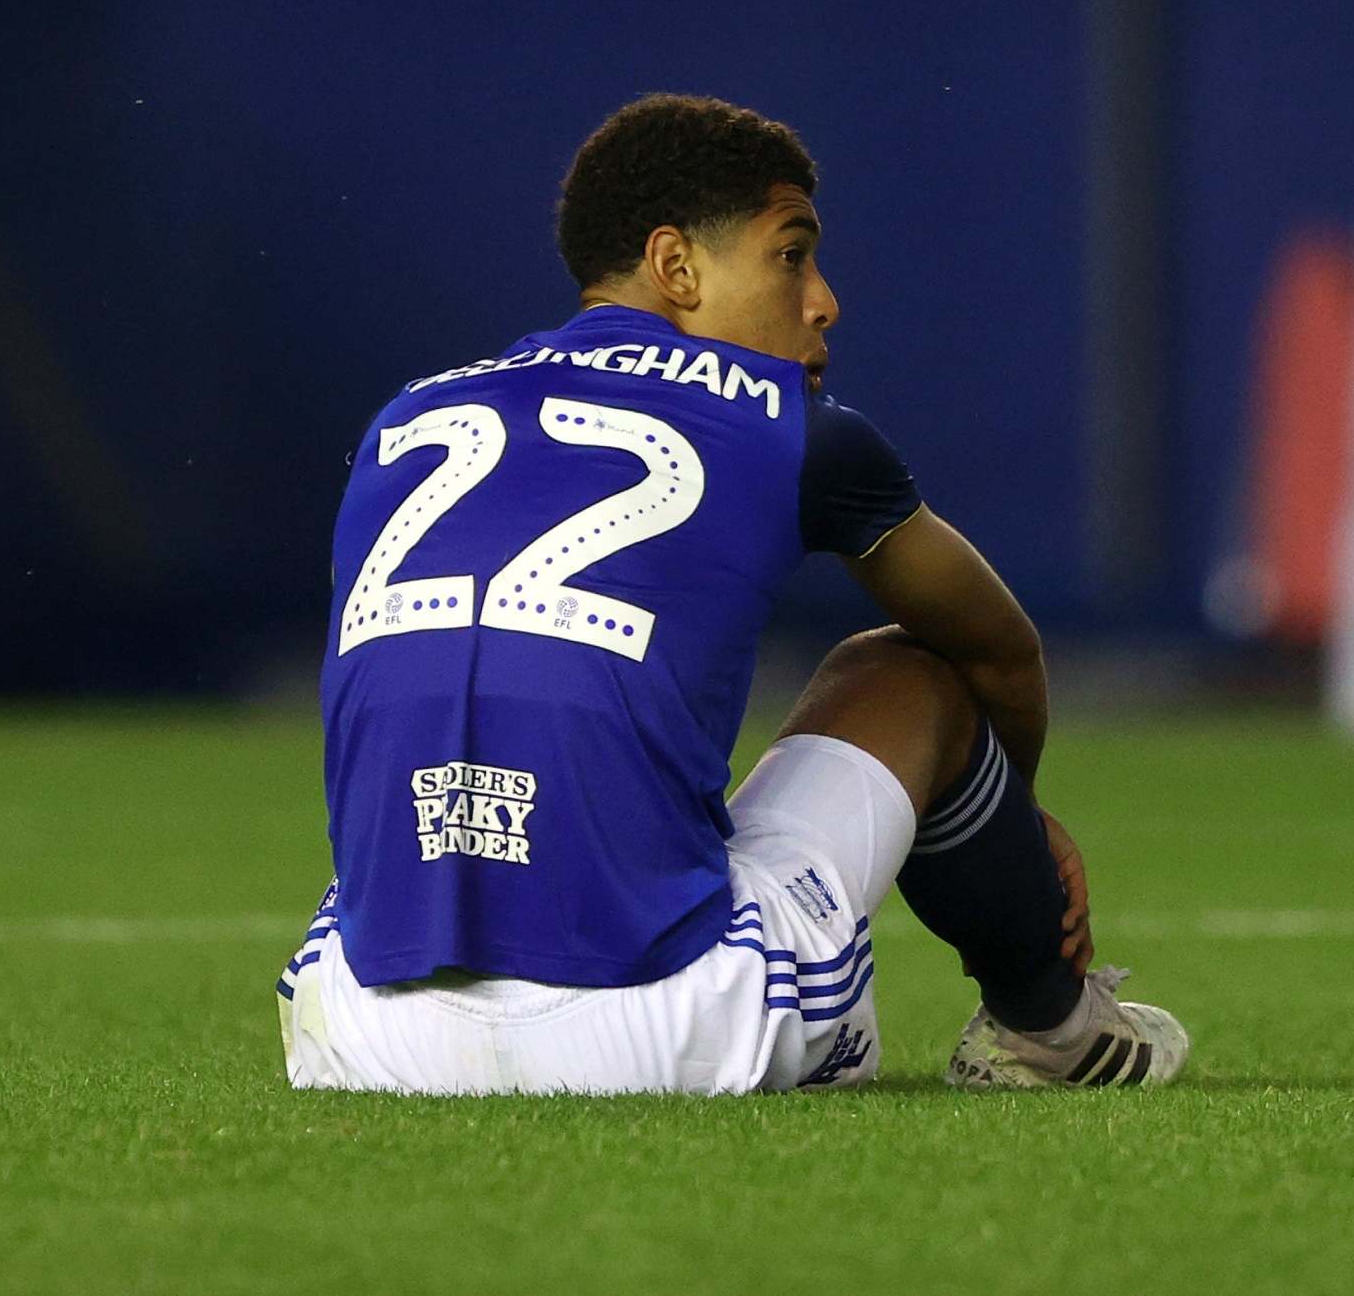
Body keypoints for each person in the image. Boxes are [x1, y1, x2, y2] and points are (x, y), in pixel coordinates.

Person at [279, 93, 1188, 1094]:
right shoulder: (795, 426)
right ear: (677, 267)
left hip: (366, 1035)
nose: (823, 299)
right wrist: (1011, 833)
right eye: (791, 253)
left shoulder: (405, 417)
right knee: (904, 668)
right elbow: (999, 651)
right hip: (668, 1024)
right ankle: (1049, 1028)